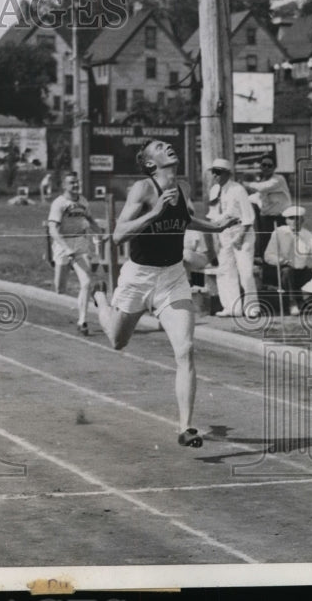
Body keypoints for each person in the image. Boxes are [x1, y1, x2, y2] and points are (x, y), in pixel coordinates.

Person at [91, 140, 239, 448]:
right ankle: (101, 301)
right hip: (138, 277)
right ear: (149, 163)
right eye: (160, 146)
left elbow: (186, 222)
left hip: (172, 277)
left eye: (169, 144)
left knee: (185, 350)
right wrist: (156, 212)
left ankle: (186, 427)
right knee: (117, 341)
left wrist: (217, 226)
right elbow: (118, 236)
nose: (169, 146)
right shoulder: (142, 190)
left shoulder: (183, 187)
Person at [48, 172, 107, 335]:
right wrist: (66, 248)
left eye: (77, 182)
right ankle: (56, 268)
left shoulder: (83, 201)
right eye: (72, 183)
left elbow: (90, 219)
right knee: (60, 288)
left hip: (80, 242)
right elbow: (52, 230)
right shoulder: (59, 203)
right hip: (63, 244)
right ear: (64, 186)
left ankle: (82, 321)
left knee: (86, 282)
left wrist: (100, 232)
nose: (76, 185)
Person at [208, 158, 257, 318]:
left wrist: (240, 236)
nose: (215, 175)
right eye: (213, 172)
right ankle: (231, 307)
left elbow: (248, 216)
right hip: (223, 233)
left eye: (219, 172)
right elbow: (213, 217)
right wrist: (216, 238)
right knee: (225, 271)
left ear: (228, 174)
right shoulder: (214, 190)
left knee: (246, 272)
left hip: (241, 231)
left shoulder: (238, 190)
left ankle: (252, 308)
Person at [263, 205, 312, 316]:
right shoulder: (278, 233)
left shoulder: (308, 236)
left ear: (303, 220)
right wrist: (281, 261)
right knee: (287, 271)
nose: (295, 221)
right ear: (286, 220)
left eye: (298, 218)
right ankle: (293, 303)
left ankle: (310, 302)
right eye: (291, 218)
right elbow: (268, 255)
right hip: (281, 273)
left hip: (300, 272)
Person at [241, 154, 292, 261]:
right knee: (266, 247)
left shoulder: (278, 179)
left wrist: (245, 184)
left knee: (281, 247)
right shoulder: (262, 180)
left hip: (280, 218)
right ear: (260, 166)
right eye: (264, 165)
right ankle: (266, 270)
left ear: (274, 167)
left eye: (270, 165)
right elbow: (257, 197)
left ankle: (283, 270)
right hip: (266, 219)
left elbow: (263, 188)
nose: (266, 168)